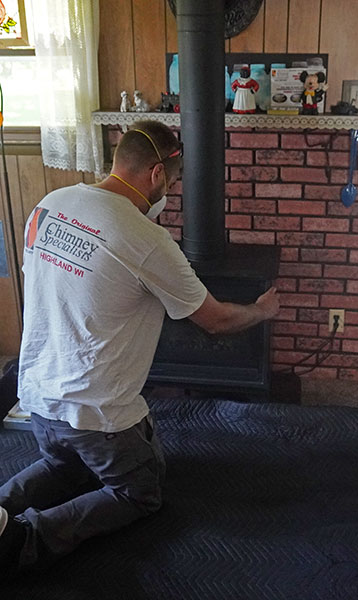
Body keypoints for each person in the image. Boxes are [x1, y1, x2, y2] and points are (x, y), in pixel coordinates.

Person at [0, 120, 279, 578]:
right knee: (139, 493)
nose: (167, 193)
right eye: (169, 183)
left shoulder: (50, 204)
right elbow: (217, 320)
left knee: (62, 466)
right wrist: (263, 310)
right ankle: (23, 540)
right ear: (155, 176)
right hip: (97, 418)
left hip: (38, 403)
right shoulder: (147, 239)